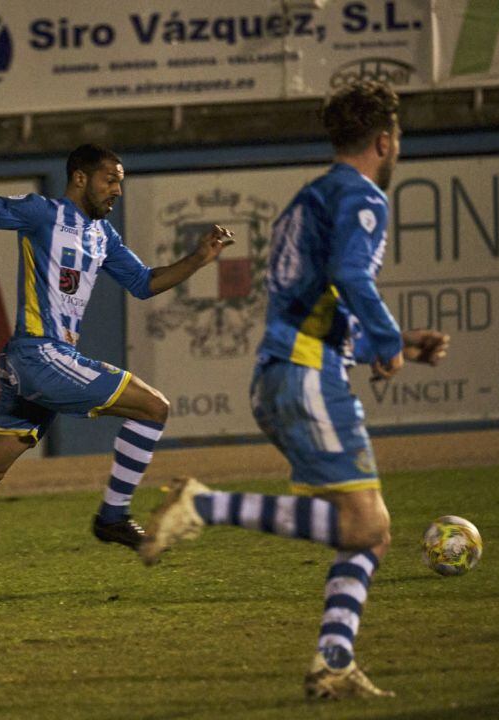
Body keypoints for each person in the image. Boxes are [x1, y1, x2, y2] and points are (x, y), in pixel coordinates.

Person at [138, 80, 450, 700]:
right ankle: (202, 505)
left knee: (370, 531)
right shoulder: (361, 196)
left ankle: (332, 662)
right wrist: (388, 340)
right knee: (364, 526)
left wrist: (397, 343)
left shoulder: (306, 201)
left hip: (289, 371)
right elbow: (351, 274)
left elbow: (317, 309)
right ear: (385, 141)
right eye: (397, 143)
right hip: (305, 377)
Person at [0, 143, 234, 595]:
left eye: (120, 181)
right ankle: (113, 516)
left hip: (34, 363)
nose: (117, 189)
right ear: (79, 178)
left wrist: (198, 259)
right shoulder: (44, 213)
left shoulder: (102, 236)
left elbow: (143, 283)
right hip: (42, 356)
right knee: (153, 408)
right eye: (109, 180)